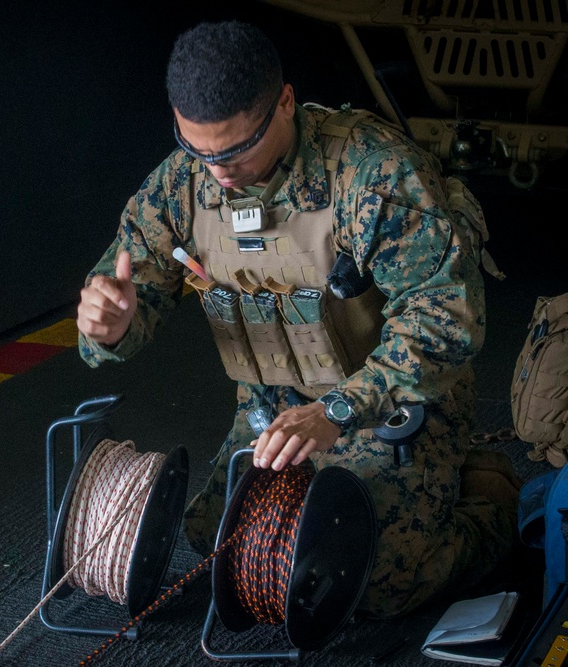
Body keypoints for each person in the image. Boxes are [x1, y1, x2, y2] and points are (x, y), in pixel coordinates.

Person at [75, 19, 519, 619]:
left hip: (394, 405)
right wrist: (110, 326)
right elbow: (129, 288)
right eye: (197, 149)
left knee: (371, 580)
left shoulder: (374, 172)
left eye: (234, 150)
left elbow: (446, 320)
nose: (217, 172)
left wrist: (336, 412)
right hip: (272, 415)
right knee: (219, 546)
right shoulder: (182, 184)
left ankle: (491, 495)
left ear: (285, 102)